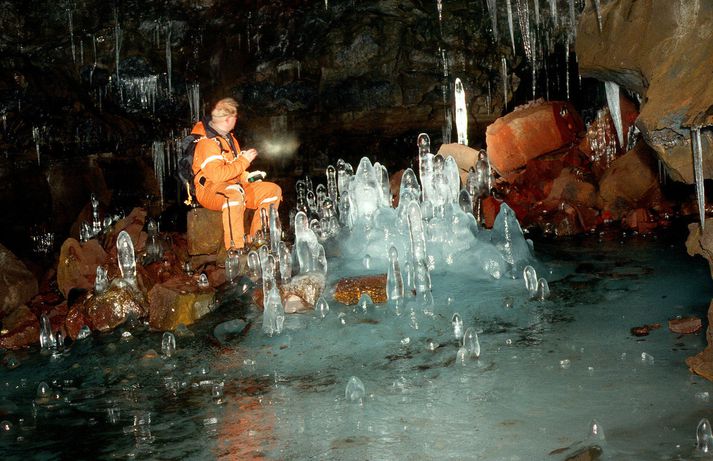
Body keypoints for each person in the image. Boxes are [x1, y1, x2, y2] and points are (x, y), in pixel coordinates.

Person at [191, 97, 282, 250]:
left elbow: (236, 172)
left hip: (233, 186)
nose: (235, 120)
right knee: (233, 195)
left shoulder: (230, 140)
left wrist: (249, 177)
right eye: (233, 117)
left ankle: (257, 239)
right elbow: (217, 176)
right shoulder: (207, 142)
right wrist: (244, 161)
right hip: (210, 190)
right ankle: (236, 249)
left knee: (272, 191)